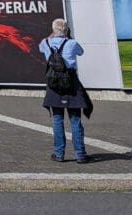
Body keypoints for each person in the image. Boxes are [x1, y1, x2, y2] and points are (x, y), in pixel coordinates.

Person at [39, 18, 93, 164]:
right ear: (67, 30)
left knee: (57, 120)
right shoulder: (72, 43)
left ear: (53, 30)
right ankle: (80, 154)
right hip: (71, 83)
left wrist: (52, 35)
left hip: (54, 84)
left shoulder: (45, 43)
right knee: (75, 120)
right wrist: (67, 37)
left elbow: (40, 47)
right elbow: (81, 52)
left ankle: (59, 154)